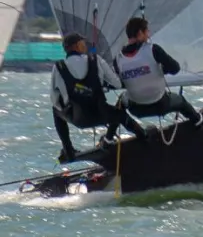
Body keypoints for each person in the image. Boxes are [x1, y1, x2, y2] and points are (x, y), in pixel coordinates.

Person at [51, 33, 147, 163]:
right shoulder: (96, 60)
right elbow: (117, 84)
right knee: (119, 113)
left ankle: (69, 152)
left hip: (79, 119)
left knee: (55, 111)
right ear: (77, 45)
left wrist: (71, 100)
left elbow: (55, 100)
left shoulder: (58, 67)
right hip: (102, 115)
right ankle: (143, 136)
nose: (85, 45)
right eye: (82, 43)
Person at [114, 17, 203, 127]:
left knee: (120, 103)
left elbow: (122, 83)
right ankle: (198, 121)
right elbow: (175, 68)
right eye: (147, 31)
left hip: (137, 110)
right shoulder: (153, 49)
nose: (149, 35)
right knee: (180, 101)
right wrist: (160, 70)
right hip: (161, 105)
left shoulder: (118, 59)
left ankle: (118, 136)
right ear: (140, 33)